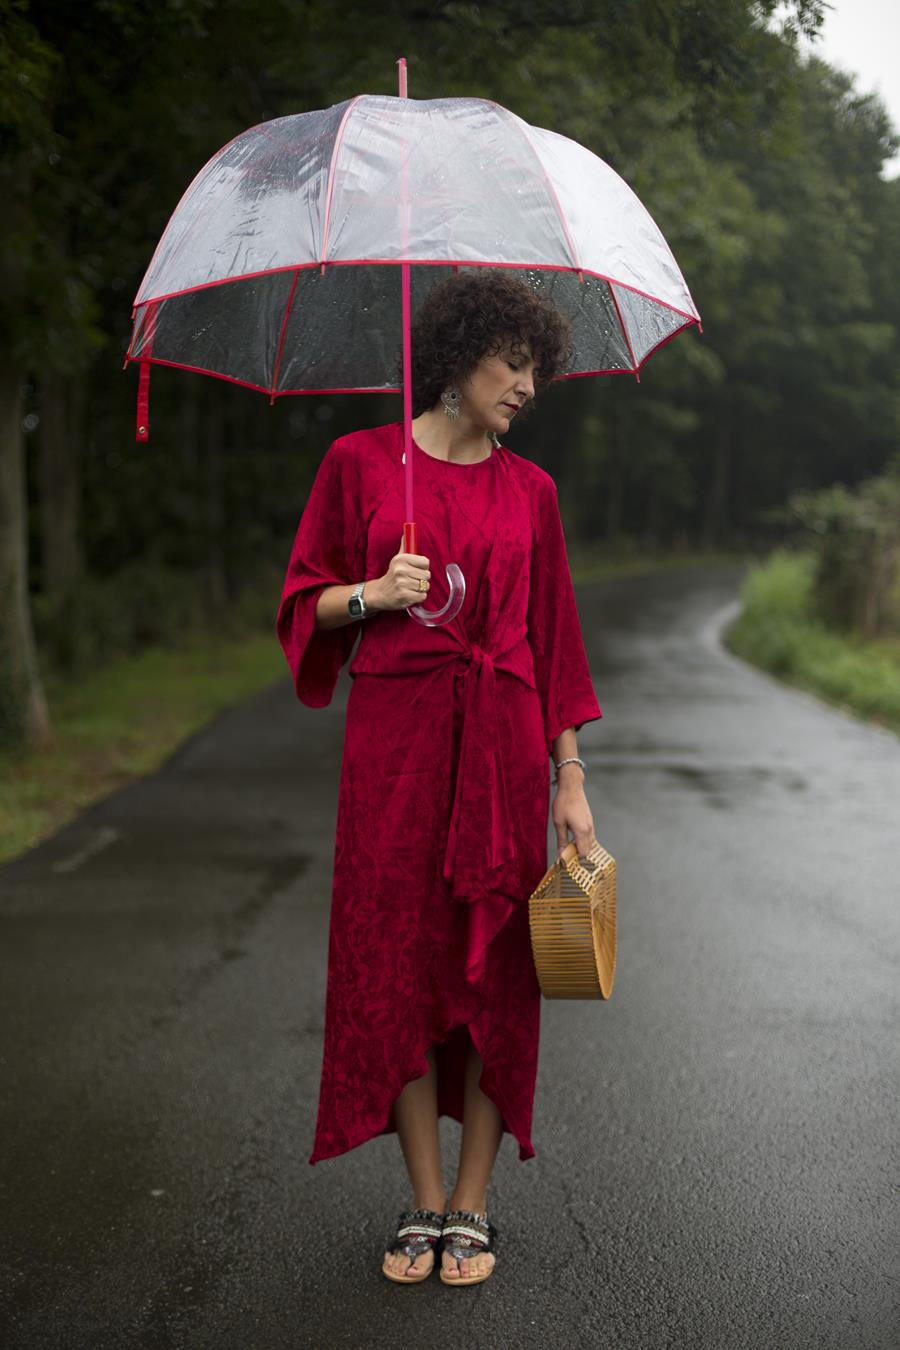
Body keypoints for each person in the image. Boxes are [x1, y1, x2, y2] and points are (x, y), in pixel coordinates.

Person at [276, 269, 602, 1288]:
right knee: (399, 963)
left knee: (499, 972)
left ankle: (473, 1204)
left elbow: (554, 642)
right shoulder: (359, 464)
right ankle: (422, 1196)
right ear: (460, 360)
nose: (529, 387)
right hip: (395, 751)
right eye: (515, 364)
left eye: (537, 370)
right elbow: (302, 603)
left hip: (502, 750)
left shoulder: (532, 491)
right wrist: (371, 594)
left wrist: (569, 778)